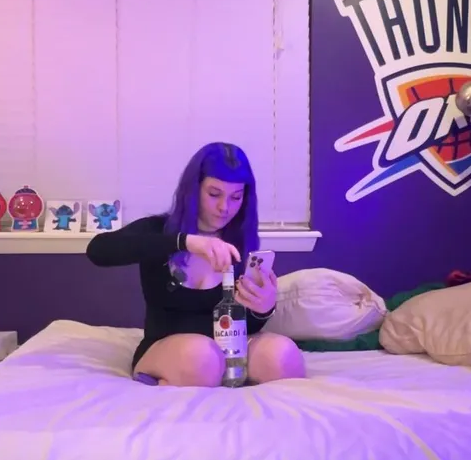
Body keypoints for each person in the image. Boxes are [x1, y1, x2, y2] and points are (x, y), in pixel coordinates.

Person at [86, 142, 307, 387]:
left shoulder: (240, 242)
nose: (225, 207)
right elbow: (98, 251)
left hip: (230, 349)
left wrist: (262, 309)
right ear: (194, 190)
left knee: (283, 356)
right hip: (172, 348)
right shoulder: (160, 232)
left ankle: (216, 377)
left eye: (236, 197)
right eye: (214, 194)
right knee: (201, 357)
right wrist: (186, 242)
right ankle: (175, 375)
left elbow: (246, 325)